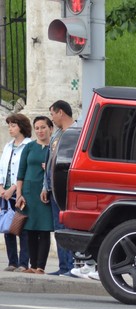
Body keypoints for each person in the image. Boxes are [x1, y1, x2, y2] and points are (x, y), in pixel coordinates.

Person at [16, 116, 55, 274]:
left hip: (45, 193)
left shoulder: (54, 148)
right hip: (29, 193)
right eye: (37, 128)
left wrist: (50, 166)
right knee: (30, 229)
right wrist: (19, 194)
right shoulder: (29, 147)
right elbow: (21, 172)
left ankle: (41, 266)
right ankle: (32, 266)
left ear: (50, 129)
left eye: (43, 127)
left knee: (44, 229)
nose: (40, 131)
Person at [41, 100, 76, 276]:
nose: (52, 118)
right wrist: (45, 186)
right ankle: (64, 266)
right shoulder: (57, 135)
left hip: (66, 187)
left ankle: (72, 266)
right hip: (53, 186)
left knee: (68, 227)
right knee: (58, 228)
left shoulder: (76, 132)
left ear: (61, 112)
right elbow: (49, 160)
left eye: (53, 114)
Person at [0, 114, 31, 272]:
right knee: (8, 227)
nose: (10, 129)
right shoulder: (7, 146)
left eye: (13, 125)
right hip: (4, 193)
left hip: (19, 193)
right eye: (9, 126)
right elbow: (1, 167)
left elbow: (25, 170)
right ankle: (12, 262)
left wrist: (13, 188)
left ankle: (23, 263)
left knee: (22, 227)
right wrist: (1, 187)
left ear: (21, 126)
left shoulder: (28, 145)